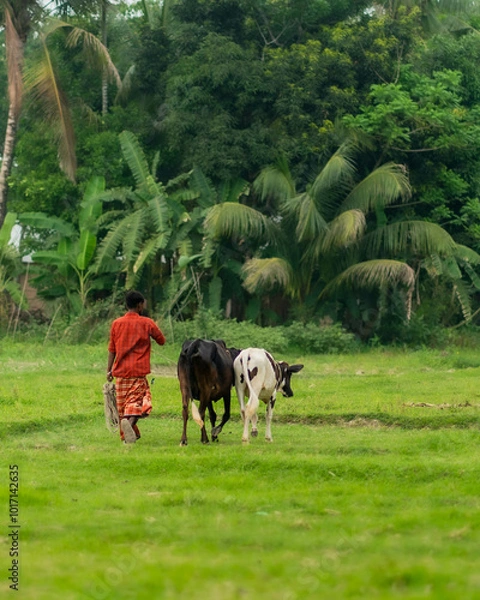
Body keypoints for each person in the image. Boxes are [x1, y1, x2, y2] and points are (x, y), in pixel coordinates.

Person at [107, 290, 166, 444]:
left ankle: (130, 434)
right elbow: (161, 340)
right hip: (138, 372)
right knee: (137, 403)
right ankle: (129, 423)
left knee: (123, 406)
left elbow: (112, 349)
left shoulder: (116, 323)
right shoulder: (147, 323)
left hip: (120, 373)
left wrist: (109, 370)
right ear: (140, 305)